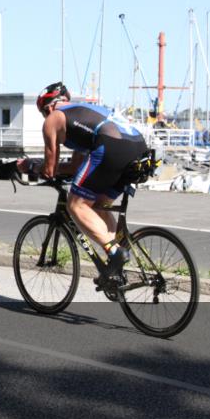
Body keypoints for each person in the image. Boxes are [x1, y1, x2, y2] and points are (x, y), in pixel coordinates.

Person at [17, 82, 148, 279]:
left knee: (76, 205)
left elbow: (50, 170)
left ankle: (115, 252)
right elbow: (76, 167)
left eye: (44, 113)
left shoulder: (53, 119)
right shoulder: (83, 114)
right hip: (138, 146)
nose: (46, 118)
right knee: (98, 206)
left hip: (111, 146)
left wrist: (30, 166)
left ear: (48, 107)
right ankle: (116, 267)